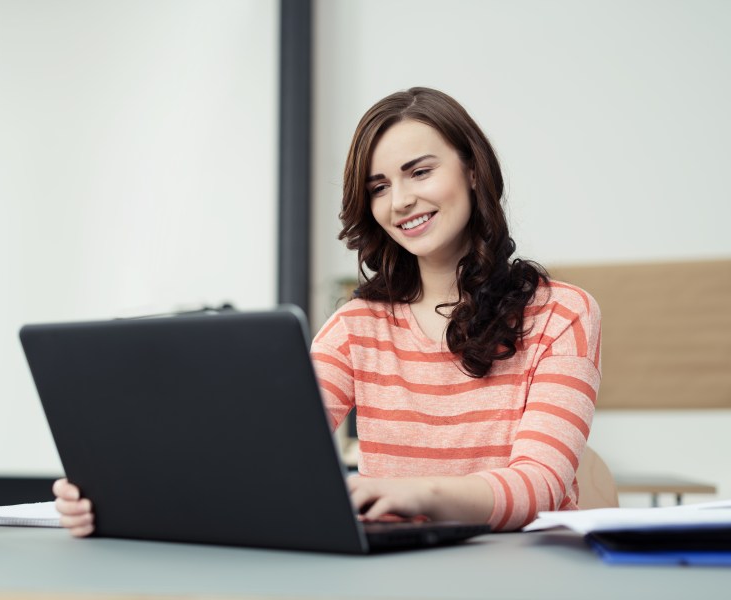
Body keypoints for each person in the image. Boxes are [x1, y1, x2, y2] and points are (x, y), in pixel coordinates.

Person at [54, 87, 601, 536]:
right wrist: (118, 497)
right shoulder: (356, 329)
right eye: (379, 187)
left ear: (473, 171)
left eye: (420, 171)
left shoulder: (562, 315)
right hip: (396, 574)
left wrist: (413, 491)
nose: (400, 201)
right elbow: (257, 459)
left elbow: (539, 486)